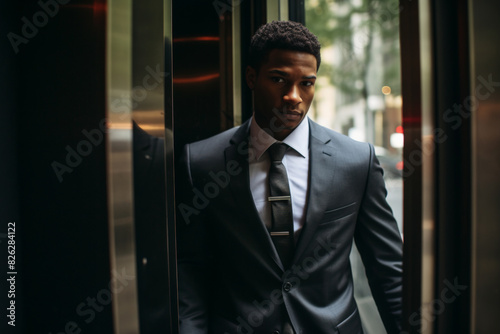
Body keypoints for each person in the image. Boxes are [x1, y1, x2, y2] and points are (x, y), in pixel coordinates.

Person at [177, 20, 402, 334]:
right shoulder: (202, 162)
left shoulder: (356, 161)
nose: (293, 96)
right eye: (279, 79)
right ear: (252, 77)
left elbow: (387, 269)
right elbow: (191, 270)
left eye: (307, 83)